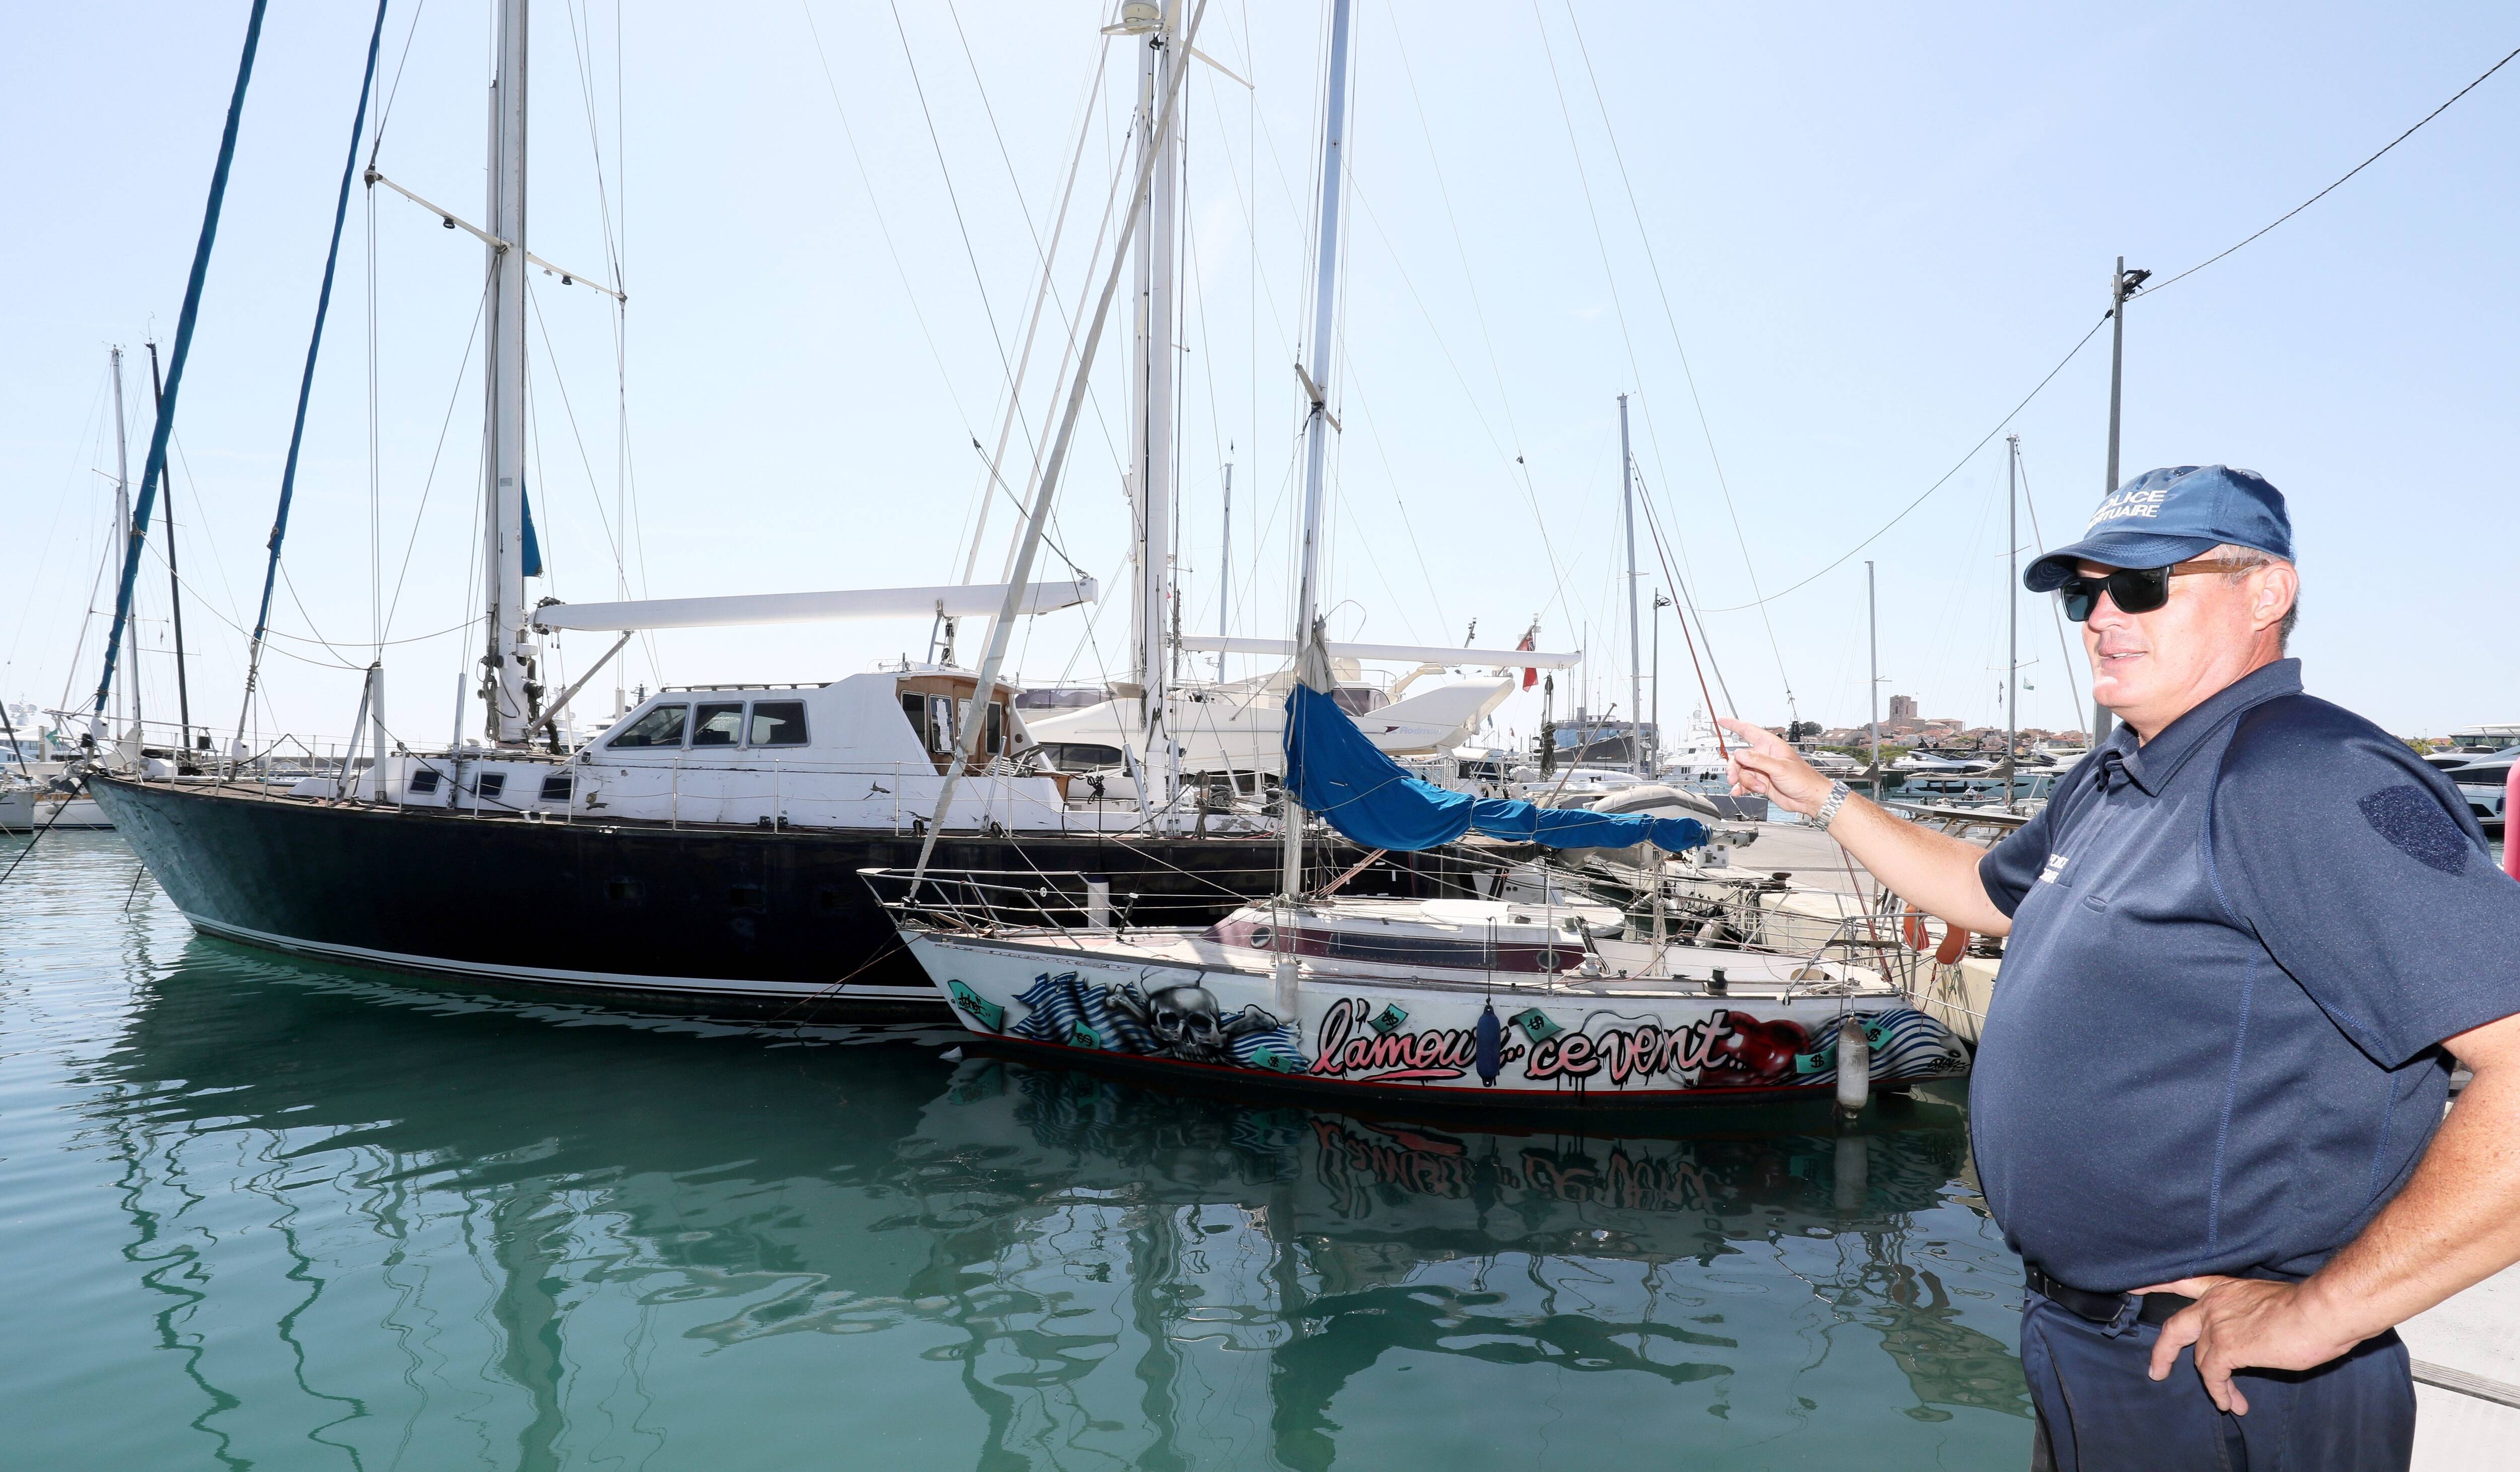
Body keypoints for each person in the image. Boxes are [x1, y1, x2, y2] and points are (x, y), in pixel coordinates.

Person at [1721, 464, 2520, 1471]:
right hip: (2090, 1342)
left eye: (2141, 585)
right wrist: (1818, 795)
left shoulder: (2301, 777)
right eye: (2082, 593)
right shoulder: (2119, 775)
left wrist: (2320, 1313)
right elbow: (1977, 887)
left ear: (2265, 591)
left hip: (2227, 1371)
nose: (2102, 615)